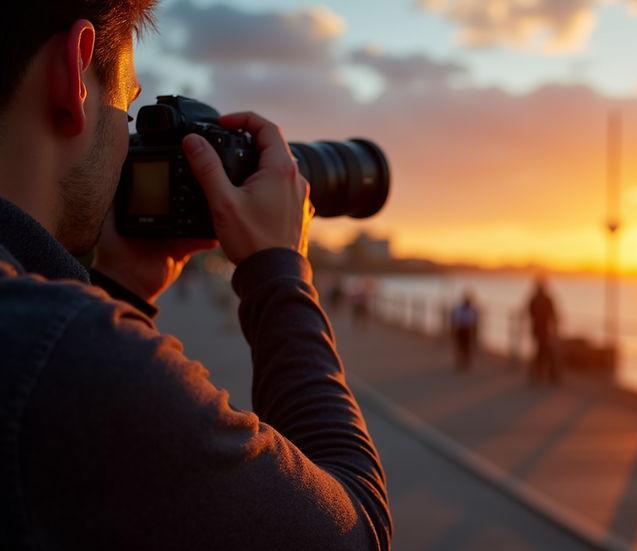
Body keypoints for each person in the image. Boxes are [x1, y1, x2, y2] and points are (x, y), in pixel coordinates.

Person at [0, 2, 390, 549]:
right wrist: (278, 269)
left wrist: (120, 291)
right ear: (74, 74)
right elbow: (356, 531)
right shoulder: (64, 355)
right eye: (127, 107)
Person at [527, 276, 560, 385]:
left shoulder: (534, 299)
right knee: (543, 351)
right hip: (544, 330)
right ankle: (541, 375)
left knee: (539, 351)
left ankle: (537, 374)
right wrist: (555, 329)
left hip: (537, 329)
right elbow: (553, 315)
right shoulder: (546, 299)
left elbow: (529, 313)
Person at [449, 291, 479, 370]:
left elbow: (475, 321)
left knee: (468, 347)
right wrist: (452, 329)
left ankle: (467, 363)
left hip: (468, 330)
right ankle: (459, 361)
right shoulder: (458, 308)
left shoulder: (473, 309)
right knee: (460, 346)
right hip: (460, 329)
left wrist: (475, 331)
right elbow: (453, 318)